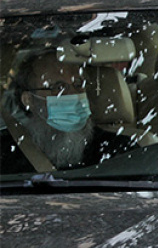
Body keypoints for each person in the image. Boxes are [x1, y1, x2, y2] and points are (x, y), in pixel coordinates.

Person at [1, 51, 132, 173]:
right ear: (29, 100)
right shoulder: (6, 154)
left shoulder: (120, 149)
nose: (74, 94)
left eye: (78, 84)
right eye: (59, 87)